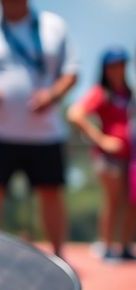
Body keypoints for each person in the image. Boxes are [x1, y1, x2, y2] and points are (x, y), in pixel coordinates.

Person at [0, 0, 78, 257]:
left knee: (51, 192)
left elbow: (72, 71)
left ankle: (59, 257)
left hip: (45, 133)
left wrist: (53, 95)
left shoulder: (54, 26)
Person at [68, 46, 134, 261]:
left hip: (130, 157)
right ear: (105, 69)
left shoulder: (128, 93)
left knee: (131, 201)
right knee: (114, 200)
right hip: (109, 158)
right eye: (114, 65)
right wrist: (102, 139)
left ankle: (124, 246)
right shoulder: (100, 93)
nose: (119, 69)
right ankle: (106, 246)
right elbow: (75, 114)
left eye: (122, 64)